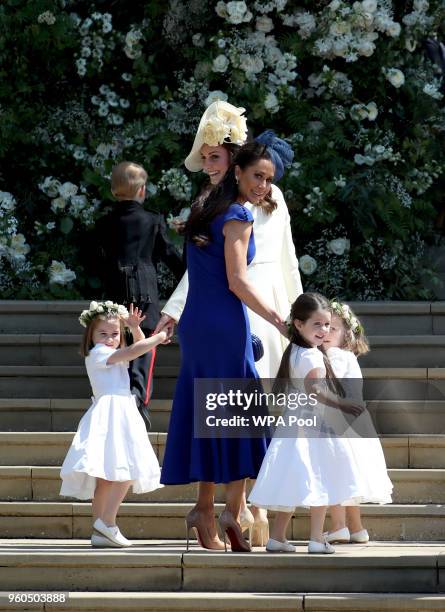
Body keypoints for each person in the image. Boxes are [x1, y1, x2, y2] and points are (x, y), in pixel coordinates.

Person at [155, 101, 303, 546]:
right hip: (230, 318)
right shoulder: (236, 214)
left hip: (203, 321)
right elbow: (238, 280)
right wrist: (282, 321)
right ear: (239, 170)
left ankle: (211, 510)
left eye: (268, 178)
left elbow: (211, 271)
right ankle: (227, 514)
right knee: (240, 415)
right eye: (257, 175)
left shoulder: (205, 205)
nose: (264, 185)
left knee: (216, 413)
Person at [248, 293, 369, 554]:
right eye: (317, 324)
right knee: (320, 481)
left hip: (294, 426)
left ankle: (278, 537)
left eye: (327, 325)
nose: (324, 330)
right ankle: (316, 538)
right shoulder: (312, 356)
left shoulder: (295, 350)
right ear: (299, 324)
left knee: (293, 480)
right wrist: (343, 404)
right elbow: (314, 390)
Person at [60, 301, 169, 548]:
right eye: (103, 334)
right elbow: (133, 352)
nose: (109, 339)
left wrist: (134, 328)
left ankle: (100, 531)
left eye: (115, 334)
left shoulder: (112, 353)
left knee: (108, 478)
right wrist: (159, 336)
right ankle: (107, 522)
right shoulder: (98, 354)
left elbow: (138, 350)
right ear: (91, 335)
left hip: (120, 410)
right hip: (112, 412)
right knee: (127, 469)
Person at [95, 161, 184, 425]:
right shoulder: (152, 220)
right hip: (145, 291)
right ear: (142, 190)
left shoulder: (104, 223)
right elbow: (168, 254)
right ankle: (138, 398)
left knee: (116, 341)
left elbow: (92, 258)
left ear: (114, 191)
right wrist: (192, 275)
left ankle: (120, 396)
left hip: (115, 290)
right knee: (144, 343)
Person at [323, 300, 393, 544]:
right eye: (323, 326)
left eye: (333, 328)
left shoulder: (332, 356)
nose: (326, 332)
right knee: (349, 478)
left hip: (337, 423)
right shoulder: (348, 357)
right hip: (357, 424)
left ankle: (339, 526)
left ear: (346, 335)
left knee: (335, 476)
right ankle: (357, 528)